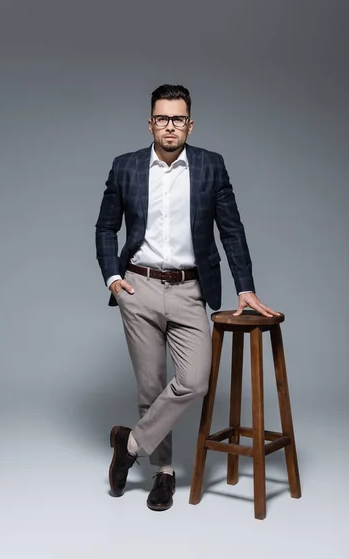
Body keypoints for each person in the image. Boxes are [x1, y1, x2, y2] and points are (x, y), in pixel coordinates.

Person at [95, 84, 279, 511]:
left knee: (194, 380)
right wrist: (112, 278)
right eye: (162, 118)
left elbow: (231, 231)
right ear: (150, 123)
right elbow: (105, 227)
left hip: (191, 288)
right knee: (150, 385)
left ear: (190, 124)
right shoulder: (125, 168)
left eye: (178, 119)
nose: (170, 126)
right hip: (138, 287)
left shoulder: (211, 167)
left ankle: (130, 443)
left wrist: (245, 288)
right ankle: (164, 473)